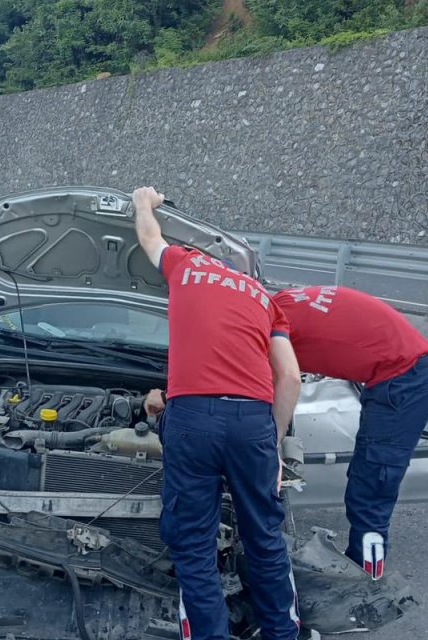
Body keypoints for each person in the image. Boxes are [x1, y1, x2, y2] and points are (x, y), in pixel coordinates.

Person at [133, 186, 302, 640]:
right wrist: (275, 442)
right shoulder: (266, 300)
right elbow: (290, 378)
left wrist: (142, 202)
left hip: (192, 421)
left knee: (193, 544)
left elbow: (149, 237)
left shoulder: (186, 266)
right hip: (252, 422)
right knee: (265, 538)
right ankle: (282, 633)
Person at [268, 285, 428, 572]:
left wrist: (272, 441)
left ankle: (367, 581)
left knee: (372, 487)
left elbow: (286, 380)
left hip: (405, 380)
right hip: (397, 372)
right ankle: (360, 566)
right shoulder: (280, 301)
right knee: (365, 478)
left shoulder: (267, 325)